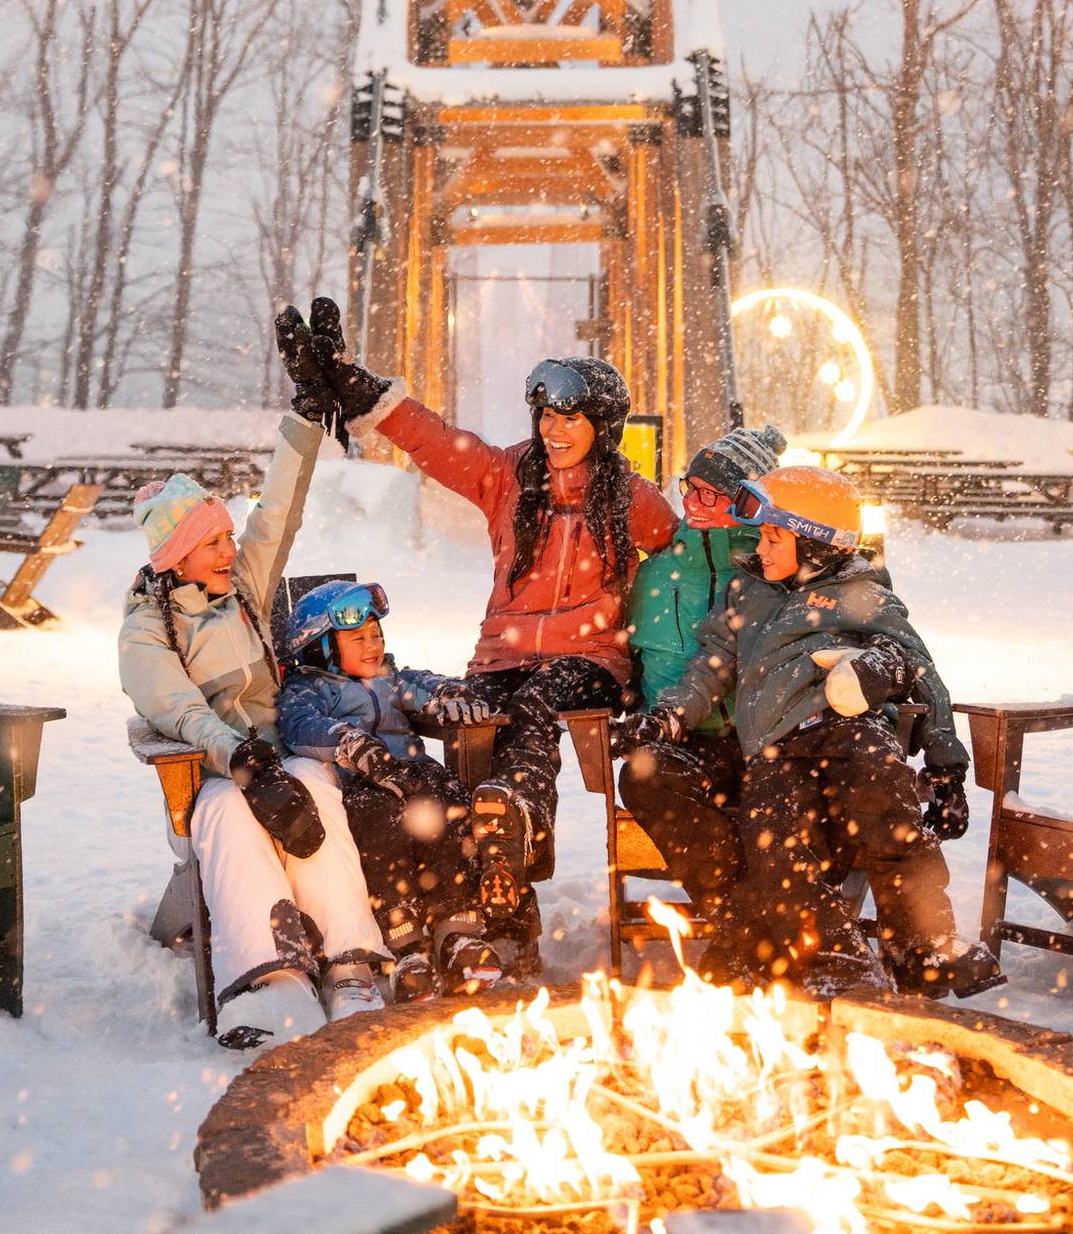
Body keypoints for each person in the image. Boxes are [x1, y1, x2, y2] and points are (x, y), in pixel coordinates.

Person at [287, 300, 677, 959]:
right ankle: (497, 907)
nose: (554, 429)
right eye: (546, 415)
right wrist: (366, 394)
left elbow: (683, 561)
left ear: (603, 425)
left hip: (588, 659)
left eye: (571, 418)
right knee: (473, 727)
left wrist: (658, 659)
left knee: (537, 703)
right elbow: (438, 443)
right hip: (503, 655)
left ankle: (517, 811)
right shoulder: (509, 476)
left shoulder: (631, 498)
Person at [613, 463, 1000, 1000]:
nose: (761, 548)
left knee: (890, 820)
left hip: (852, 732)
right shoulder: (747, 591)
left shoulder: (862, 595)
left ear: (815, 544)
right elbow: (711, 666)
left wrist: (946, 766)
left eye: (774, 538)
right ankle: (833, 960)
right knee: (777, 847)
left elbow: (920, 670)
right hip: (779, 748)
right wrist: (668, 716)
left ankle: (926, 945)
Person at [119, 323, 387, 1049]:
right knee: (232, 815)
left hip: (284, 752)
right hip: (213, 773)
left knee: (316, 786)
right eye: (213, 541)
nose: (229, 548)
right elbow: (177, 711)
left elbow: (278, 512)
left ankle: (350, 964)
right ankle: (273, 979)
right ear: (175, 556)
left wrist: (305, 415)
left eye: (226, 536)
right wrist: (239, 760)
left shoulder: (240, 587)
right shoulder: (147, 629)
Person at [277, 577, 502, 1000]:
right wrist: (348, 742)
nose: (373, 645)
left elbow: (426, 683)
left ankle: (457, 931)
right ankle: (407, 946)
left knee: (447, 803)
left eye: (376, 634)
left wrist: (450, 694)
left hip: (414, 773)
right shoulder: (309, 689)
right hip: (361, 785)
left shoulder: (391, 678)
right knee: (379, 823)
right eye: (358, 638)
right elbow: (300, 725)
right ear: (320, 647)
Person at [618, 425, 785, 929]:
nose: (693, 502)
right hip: (683, 744)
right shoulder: (652, 574)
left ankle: (752, 923)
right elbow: (622, 661)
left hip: (768, 744)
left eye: (712, 493)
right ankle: (739, 916)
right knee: (644, 774)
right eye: (690, 487)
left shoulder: (779, 568)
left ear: (749, 501)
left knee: (791, 794)